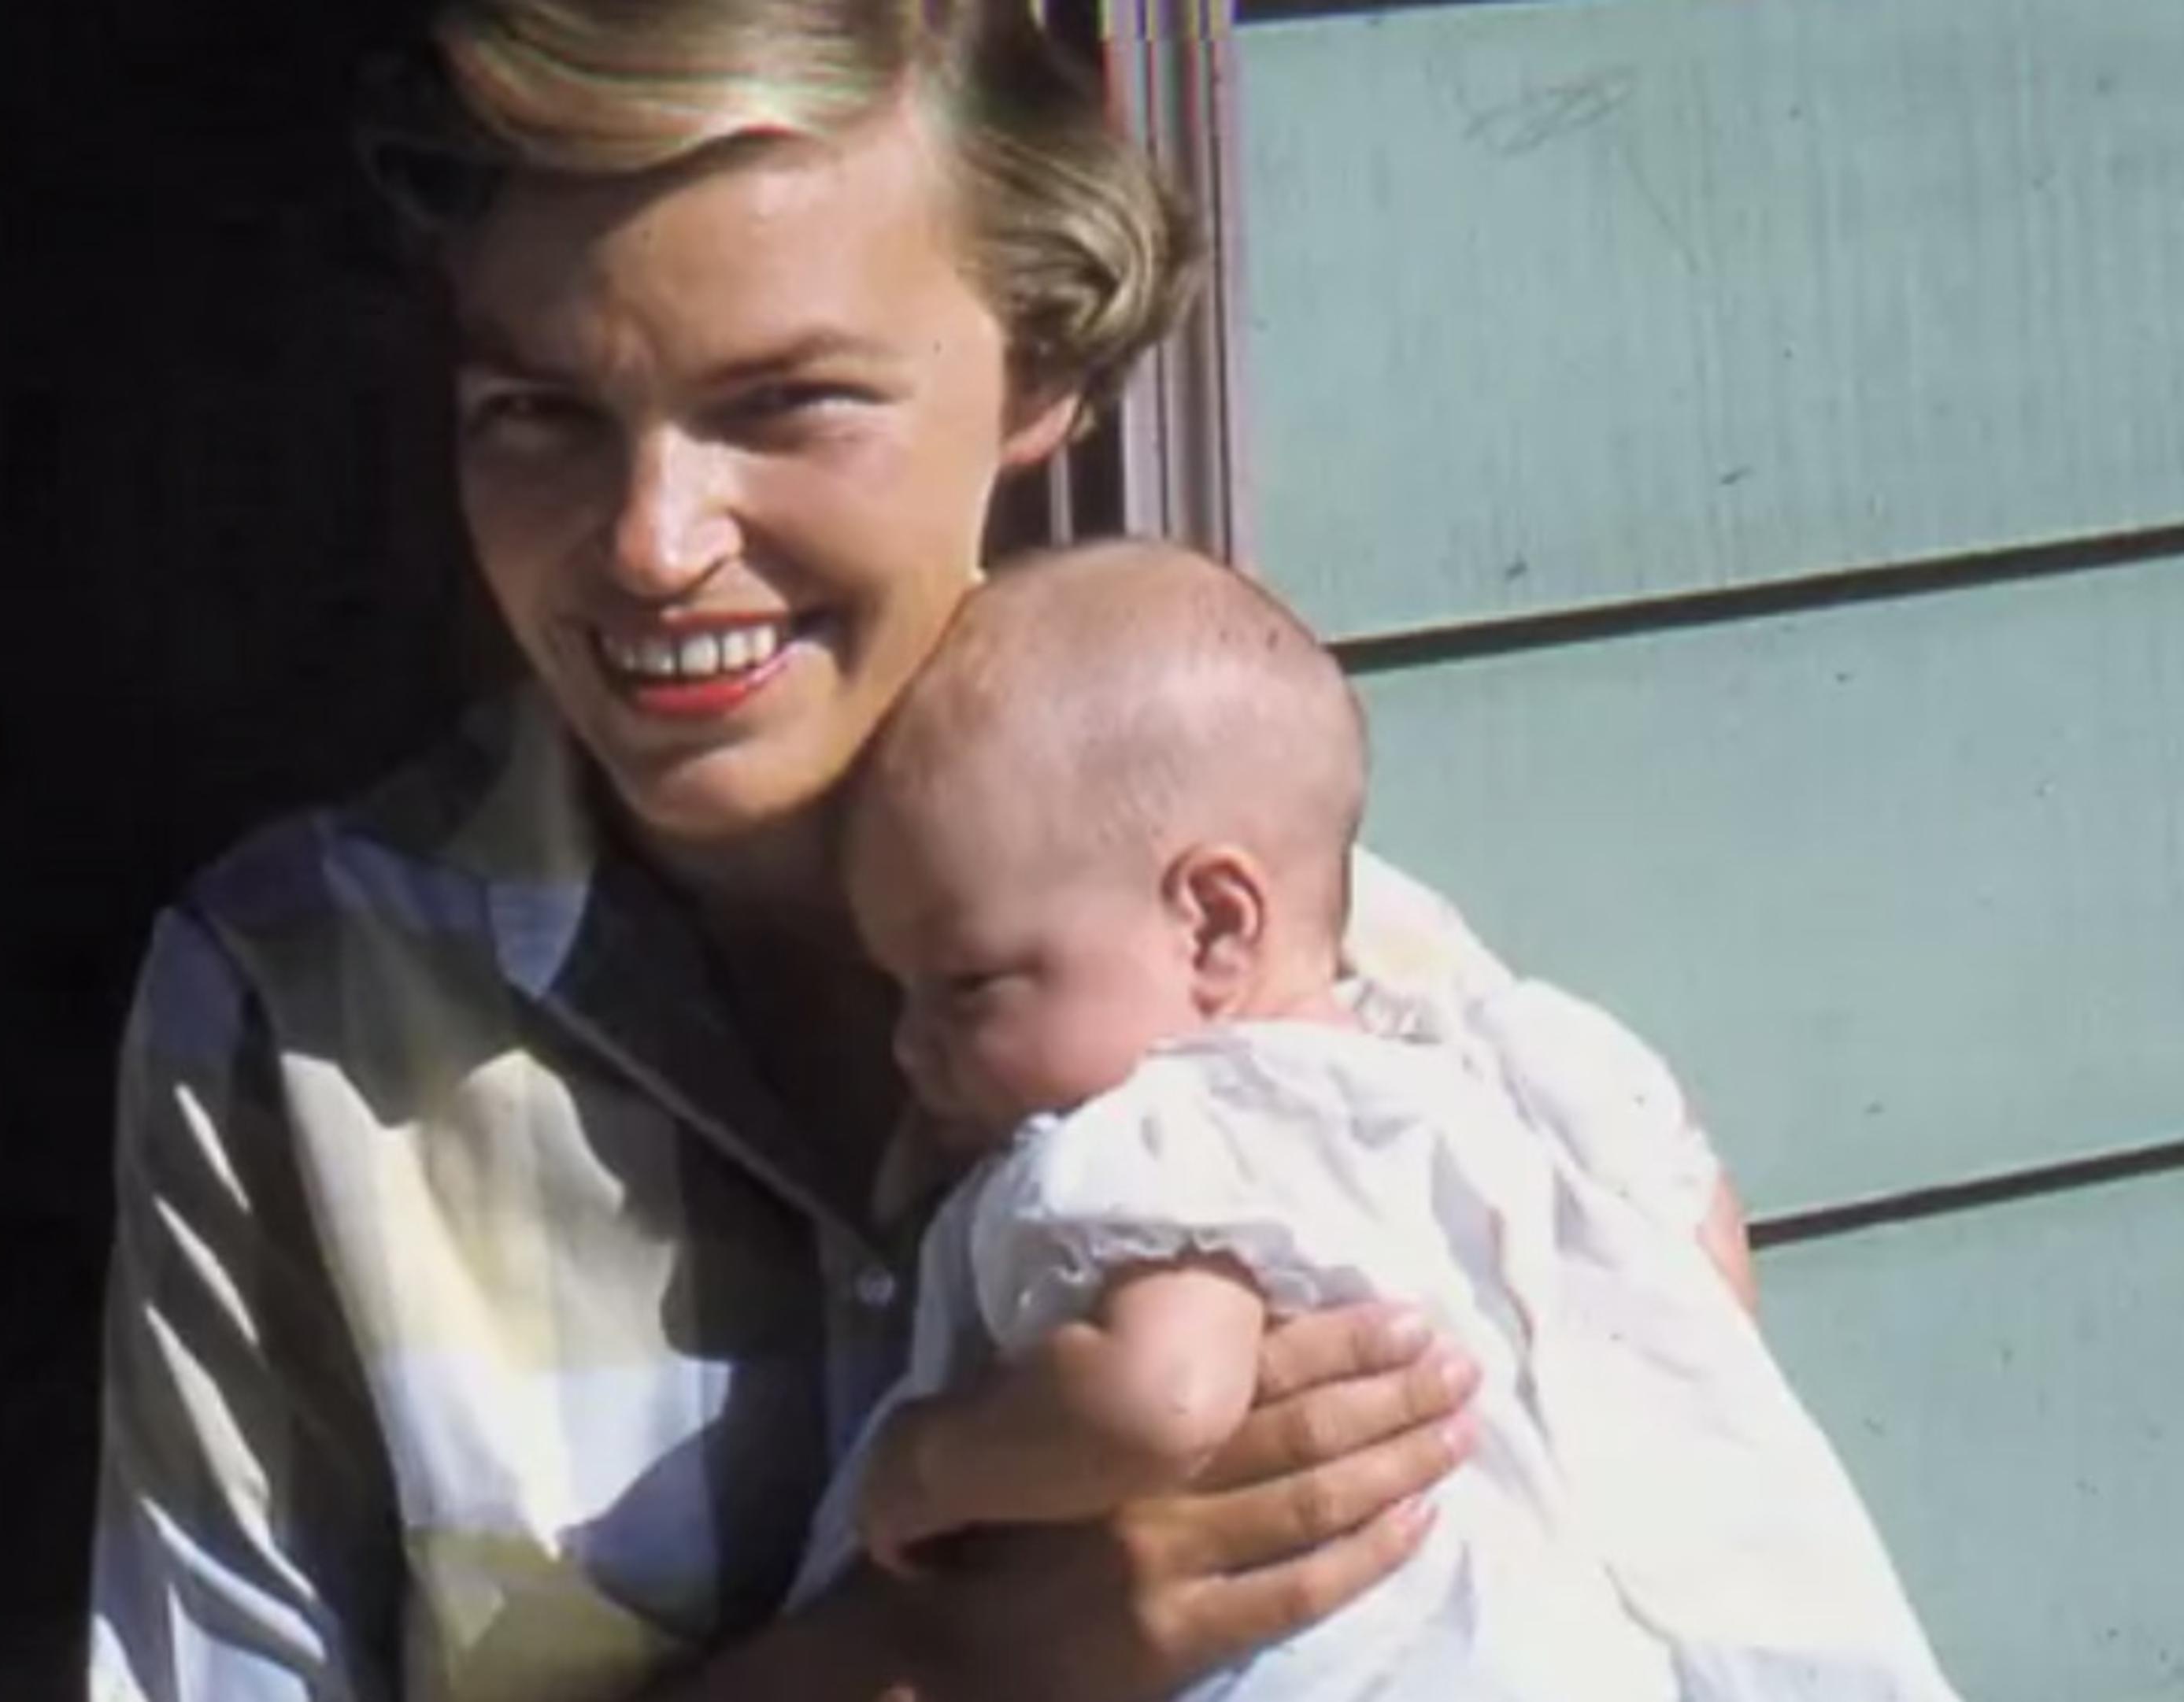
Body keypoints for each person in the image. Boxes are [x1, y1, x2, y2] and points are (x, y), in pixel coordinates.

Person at [95, 2, 1596, 1696]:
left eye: (788, 402)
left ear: (1043, 372)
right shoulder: (303, 1014)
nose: (654, 545)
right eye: (538, 409)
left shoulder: (1344, 1000)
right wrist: (939, 1664)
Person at [796, 542, 1955, 1699]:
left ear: (1210, 925)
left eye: (966, 985)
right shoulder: (1495, 1070)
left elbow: (1163, 1398)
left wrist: (931, 1465)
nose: (911, 1045)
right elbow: (1702, 1261)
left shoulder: (1165, 1138)